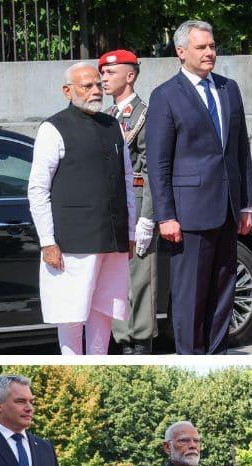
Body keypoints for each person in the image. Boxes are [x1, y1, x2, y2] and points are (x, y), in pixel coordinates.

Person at [148, 19, 252, 355]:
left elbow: (240, 150)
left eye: (212, 46)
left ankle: (216, 353)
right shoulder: (165, 96)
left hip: (227, 209)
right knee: (190, 295)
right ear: (181, 52)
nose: (210, 52)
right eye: (201, 47)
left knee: (223, 291)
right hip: (189, 214)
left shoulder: (228, 88)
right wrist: (166, 214)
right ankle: (191, 356)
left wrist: (247, 204)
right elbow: (158, 162)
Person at [27, 61, 134, 355]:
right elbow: (38, 189)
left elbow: (126, 181)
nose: (95, 90)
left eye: (98, 84)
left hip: (112, 239)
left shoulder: (112, 125)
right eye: (87, 86)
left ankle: (97, 364)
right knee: (71, 313)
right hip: (72, 241)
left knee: (105, 309)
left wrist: (131, 232)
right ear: (68, 90)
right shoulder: (53, 128)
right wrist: (48, 241)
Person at [99, 49, 159, 355]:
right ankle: (122, 340)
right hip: (113, 209)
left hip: (136, 203)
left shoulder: (145, 115)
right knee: (117, 281)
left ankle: (141, 341)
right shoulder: (107, 117)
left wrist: (147, 217)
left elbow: (151, 171)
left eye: (111, 73)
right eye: (103, 73)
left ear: (130, 76)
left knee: (139, 280)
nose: (104, 79)